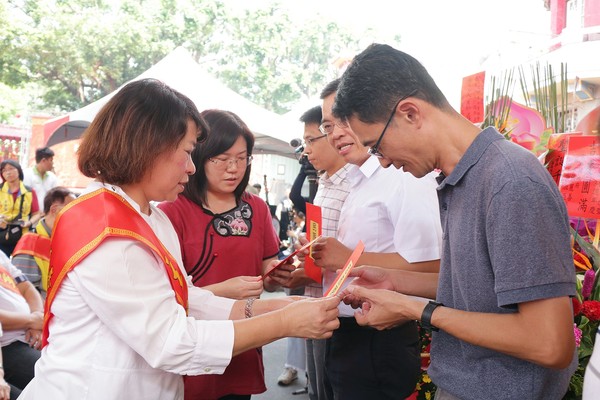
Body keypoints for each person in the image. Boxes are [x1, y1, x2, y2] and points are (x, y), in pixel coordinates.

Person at [17, 78, 340, 400]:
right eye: (186, 153)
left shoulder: (146, 215)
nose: (190, 168)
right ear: (147, 148)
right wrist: (285, 322)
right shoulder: (110, 232)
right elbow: (171, 342)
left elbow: (182, 297)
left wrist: (273, 307)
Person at [334, 43, 577, 400]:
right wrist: (397, 282)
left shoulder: (510, 181)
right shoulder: (464, 178)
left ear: (410, 114)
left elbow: (550, 343)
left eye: (376, 146)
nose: (382, 162)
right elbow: (482, 292)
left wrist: (416, 309)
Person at [310, 77, 442, 400]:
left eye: (345, 120)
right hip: (348, 332)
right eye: (328, 125)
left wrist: (347, 258)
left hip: (380, 336)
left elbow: (432, 267)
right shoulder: (360, 180)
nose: (337, 132)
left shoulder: (403, 176)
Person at [158, 108, 288, 399]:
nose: (233, 168)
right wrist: (223, 291)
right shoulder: (171, 211)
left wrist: (278, 273)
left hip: (245, 339)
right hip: (193, 347)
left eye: (241, 159)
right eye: (222, 159)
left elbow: (268, 268)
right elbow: (166, 297)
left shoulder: (256, 208)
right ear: (200, 157)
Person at [293, 104, 350, 400]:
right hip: (314, 299)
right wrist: (307, 250)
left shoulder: (355, 185)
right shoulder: (325, 183)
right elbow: (321, 242)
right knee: (317, 388)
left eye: (312, 139)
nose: (306, 150)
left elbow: (351, 255)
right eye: (304, 142)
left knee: (331, 388)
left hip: (338, 311)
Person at [12, 187, 76, 297]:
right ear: (54, 209)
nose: (77, 215)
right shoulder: (30, 245)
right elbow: (24, 294)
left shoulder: (67, 239)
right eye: (72, 210)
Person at [0, 250, 43, 398]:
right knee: (57, 377)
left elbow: (27, 287)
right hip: (8, 346)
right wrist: (31, 321)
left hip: (28, 336)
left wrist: (37, 318)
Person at [0, 160, 41, 257]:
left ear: (18, 170)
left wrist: (29, 222)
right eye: (4, 170)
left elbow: (37, 214)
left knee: (18, 265)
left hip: (22, 233)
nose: (8, 172)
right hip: (2, 231)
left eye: (11, 169)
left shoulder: (29, 191)